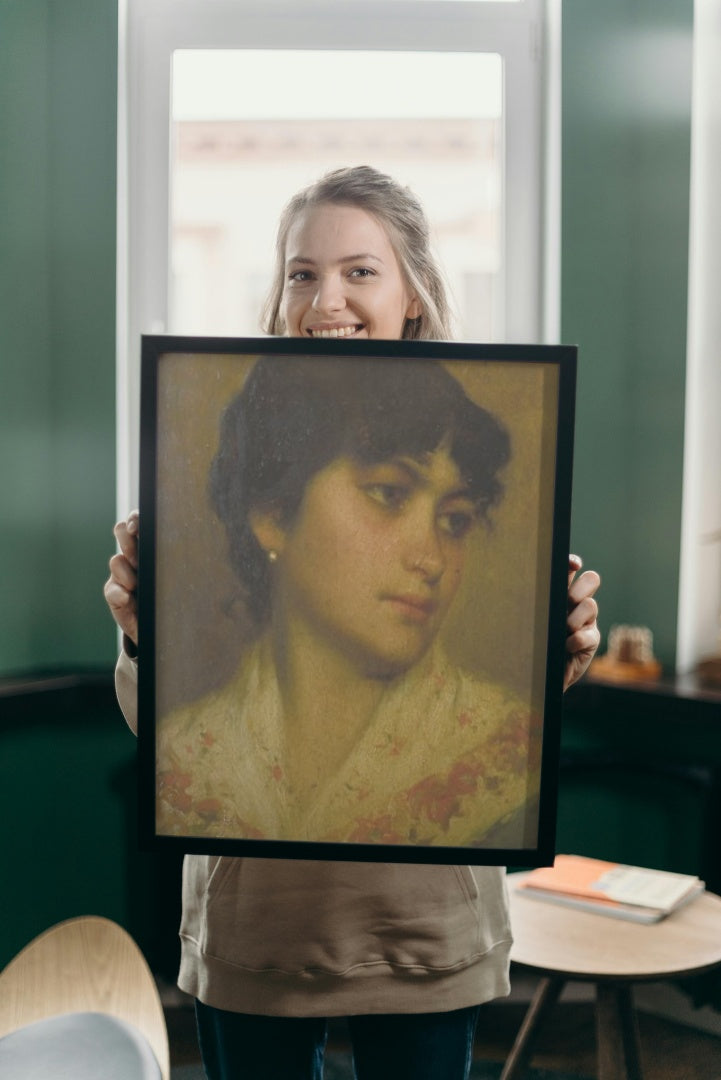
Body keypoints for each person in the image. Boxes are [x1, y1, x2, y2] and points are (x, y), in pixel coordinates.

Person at [105, 165, 601, 1080]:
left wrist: (554, 656)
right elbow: (163, 742)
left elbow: (523, 736)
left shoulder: (482, 738)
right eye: (302, 272)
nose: (325, 297)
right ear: (270, 516)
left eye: (360, 271)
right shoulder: (211, 729)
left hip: (423, 931)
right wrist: (143, 636)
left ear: (413, 292)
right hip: (256, 931)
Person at [156, 354, 541, 848]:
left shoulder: (504, 756)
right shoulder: (183, 755)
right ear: (273, 515)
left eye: (455, 521)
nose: (432, 561)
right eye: (388, 493)